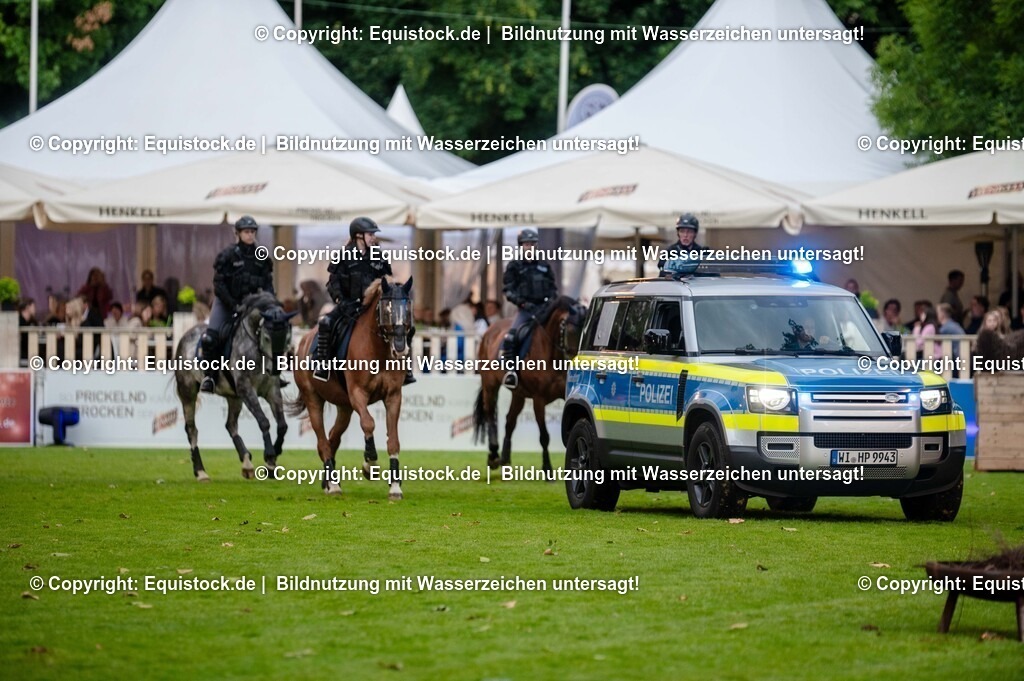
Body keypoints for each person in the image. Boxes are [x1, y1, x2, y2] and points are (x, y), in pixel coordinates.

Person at [314, 217, 415, 385]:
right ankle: (323, 364)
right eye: (370, 234)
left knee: (404, 326)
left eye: (373, 234)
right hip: (347, 304)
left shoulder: (378, 256)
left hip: (372, 306)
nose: (373, 237)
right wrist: (340, 299)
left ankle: (406, 368)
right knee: (326, 323)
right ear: (358, 236)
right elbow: (332, 282)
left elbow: (388, 281)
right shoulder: (343, 255)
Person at [199, 216, 274, 393]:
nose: (250, 235)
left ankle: (275, 374)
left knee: (274, 331)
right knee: (211, 337)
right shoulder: (227, 255)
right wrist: (233, 305)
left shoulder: (261, 256)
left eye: (253, 232)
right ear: (238, 233)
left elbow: (268, 284)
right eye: (246, 232)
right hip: (226, 304)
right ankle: (209, 376)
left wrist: (270, 302)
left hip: (253, 306)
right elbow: (219, 285)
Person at [501, 228, 557, 389]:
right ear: (521, 246)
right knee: (511, 337)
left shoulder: (544, 265)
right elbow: (508, 290)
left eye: (532, 244)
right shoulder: (514, 266)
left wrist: (551, 301)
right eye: (526, 244)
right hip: (525, 309)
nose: (530, 247)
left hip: (544, 309)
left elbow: (553, 287)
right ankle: (511, 371)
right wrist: (523, 303)